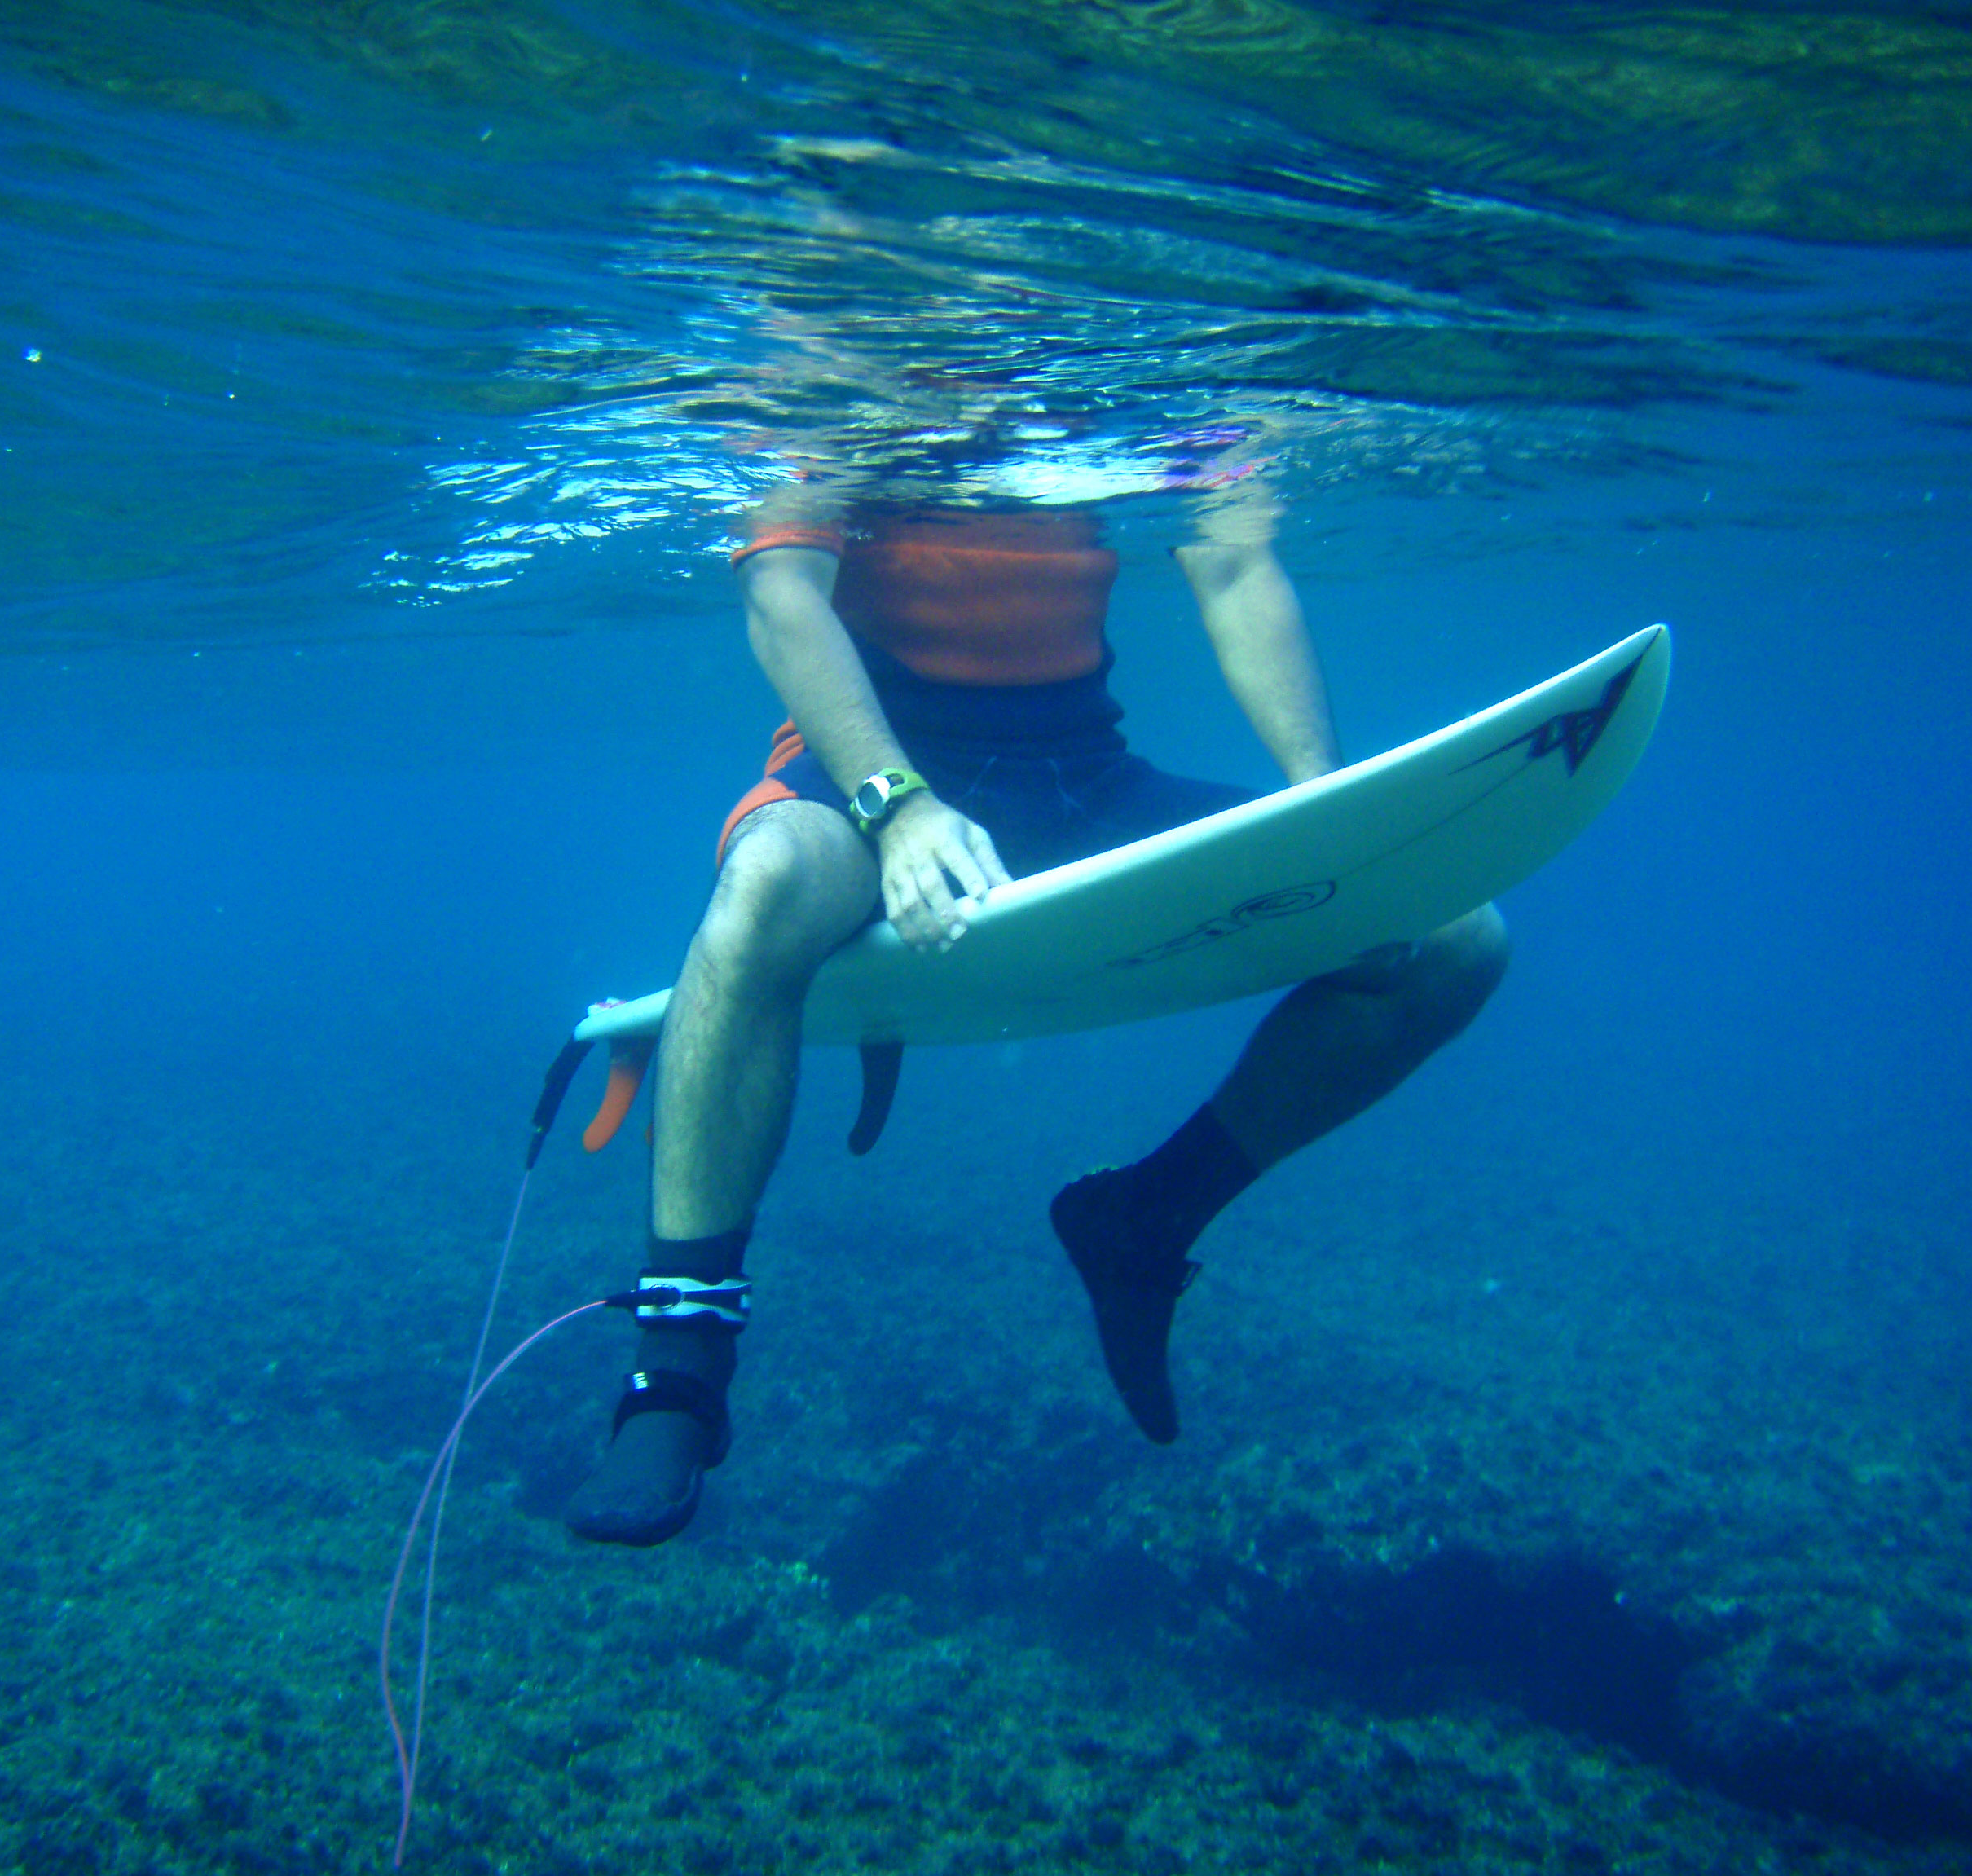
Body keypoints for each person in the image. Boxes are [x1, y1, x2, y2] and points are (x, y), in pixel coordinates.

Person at [562, 465, 1509, 1546]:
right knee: (765, 887)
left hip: (1081, 774)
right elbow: (782, 594)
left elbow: (1235, 562)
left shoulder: (1140, 388)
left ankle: (1145, 1221)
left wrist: (1324, 803)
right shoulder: (835, 379)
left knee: (1455, 940)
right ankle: (678, 1367)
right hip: (861, 776)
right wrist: (898, 807)